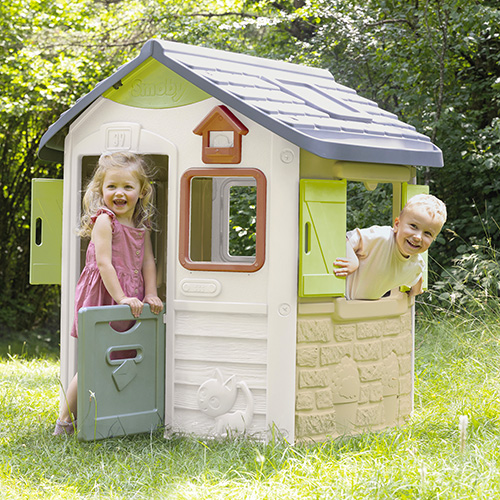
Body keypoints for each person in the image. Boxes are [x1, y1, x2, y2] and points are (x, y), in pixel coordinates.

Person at [53, 152, 164, 436]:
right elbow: (104, 263)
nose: (119, 193)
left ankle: (111, 412)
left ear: (142, 192)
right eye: (112, 186)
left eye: (128, 186)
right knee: (93, 359)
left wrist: (151, 293)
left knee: (122, 353)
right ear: (101, 190)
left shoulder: (141, 225)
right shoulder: (105, 220)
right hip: (105, 294)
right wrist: (121, 298)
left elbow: (148, 262)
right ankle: (64, 422)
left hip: (131, 296)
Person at [333, 193, 447, 300]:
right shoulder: (381, 237)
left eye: (427, 233)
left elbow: (417, 278)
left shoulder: (415, 264)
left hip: (361, 308)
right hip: (337, 297)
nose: (418, 237)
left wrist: (416, 291)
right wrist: (352, 260)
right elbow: (346, 238)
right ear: (397, 225)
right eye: (413, 226)